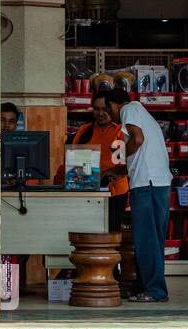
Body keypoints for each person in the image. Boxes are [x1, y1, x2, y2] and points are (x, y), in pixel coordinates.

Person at [103, 88, 171, 303]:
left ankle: (155, 291)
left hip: (147, 184)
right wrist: (116, 171)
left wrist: (121, 160)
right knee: (152, 239)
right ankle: (145, 287)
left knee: (146, 239)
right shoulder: (141, 112)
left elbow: (137, 140)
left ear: (113, 105)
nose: (109, 115)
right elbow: (139, 152)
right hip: (156, 183)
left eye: (107, 110)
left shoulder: (129, 109)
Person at [60, 90, 130, 233]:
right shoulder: (84, 130)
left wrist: (108, 178)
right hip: (87, 191)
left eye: (104, 109)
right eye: (96, 109)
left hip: (114, 193)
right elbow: (72, 159)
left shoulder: (121, 131)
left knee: (110, 232)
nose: (100, 113)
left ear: (111, 108)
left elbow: (124, 164)